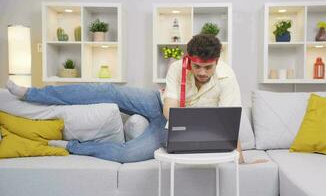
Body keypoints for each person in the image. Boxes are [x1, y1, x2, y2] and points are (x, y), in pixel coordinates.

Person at [6, 34, 246, 164]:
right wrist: (178, 116)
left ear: (217, 61)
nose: (202, 72)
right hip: (161, 106)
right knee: (108, 90)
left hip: (177, 130)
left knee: (126, 155)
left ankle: (71, 147)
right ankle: (31, 93)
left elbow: (228, 122)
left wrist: (238, 155)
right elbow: (169, 108)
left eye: (208, 67)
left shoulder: (227, 78)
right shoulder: (177, 68)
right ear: (188, 60)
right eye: (197, 66)